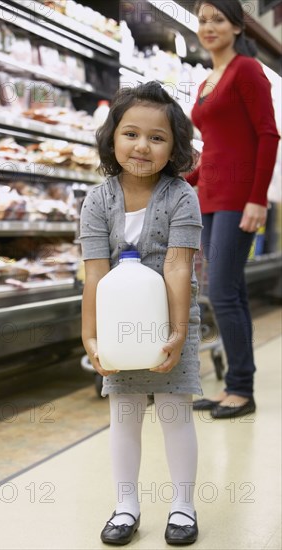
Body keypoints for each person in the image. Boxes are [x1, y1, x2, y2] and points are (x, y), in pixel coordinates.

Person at [79, 81, 203, 546]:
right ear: (112, 138)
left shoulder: (181, 196)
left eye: (157, 138)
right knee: (125, 412)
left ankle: (183, 507)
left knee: (175, 412)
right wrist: (90, 338)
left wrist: (175, 333)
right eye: (131, 133)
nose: (142, 146)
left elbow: (177, 265)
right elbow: (94, 273)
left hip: (172, 320)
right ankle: (126, 505)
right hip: (117, 326)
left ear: (174, 148)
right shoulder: (98, 200)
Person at [188, 0, 280, 419]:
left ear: (237, 26)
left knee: (222, 292)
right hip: (210, 197)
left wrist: (257, 197)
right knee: (229, 292)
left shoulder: (246, 70)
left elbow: (268, 133)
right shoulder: (207, 81)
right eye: (203, 20)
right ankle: (234, 386)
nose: (208, 27)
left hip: (238, 199)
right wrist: (184, 181)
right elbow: (214, 149)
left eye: (217, 19)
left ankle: (241, 388)